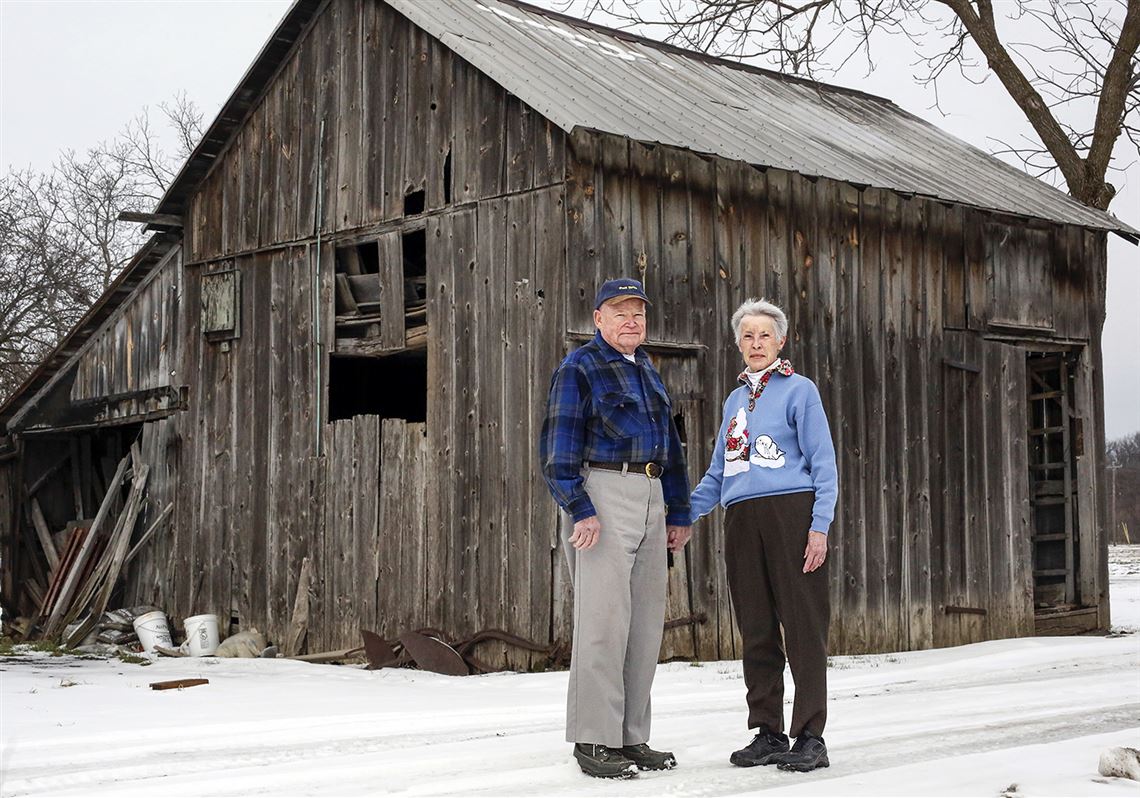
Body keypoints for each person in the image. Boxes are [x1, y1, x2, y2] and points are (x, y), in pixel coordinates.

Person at [540, 278, 692, 779]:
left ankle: (630, 737)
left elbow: (669, 446)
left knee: (645, 625)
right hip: (603, 496)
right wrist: (579, 508)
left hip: (650, 494)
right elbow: (558, 450)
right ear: (598, 317)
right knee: (604, 623)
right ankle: (593, 739)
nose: (632, 321)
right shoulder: (579, 367)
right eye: (620, 312)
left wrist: (678, 511)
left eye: (639, 313)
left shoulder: (646, 368)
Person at [687, 297, 838, 773]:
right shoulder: (735, 401)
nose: (756, 343)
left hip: (791, 513)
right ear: (738, 344)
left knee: (802, 624)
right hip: (742, 519)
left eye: (764, 335)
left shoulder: (800, 390)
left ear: (781, 340)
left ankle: (811, 735)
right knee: (755, 626)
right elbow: (718, 474)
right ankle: (768, 730)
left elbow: (824, 463)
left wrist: (819, 526)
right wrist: (680, 516)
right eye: (747, 336)